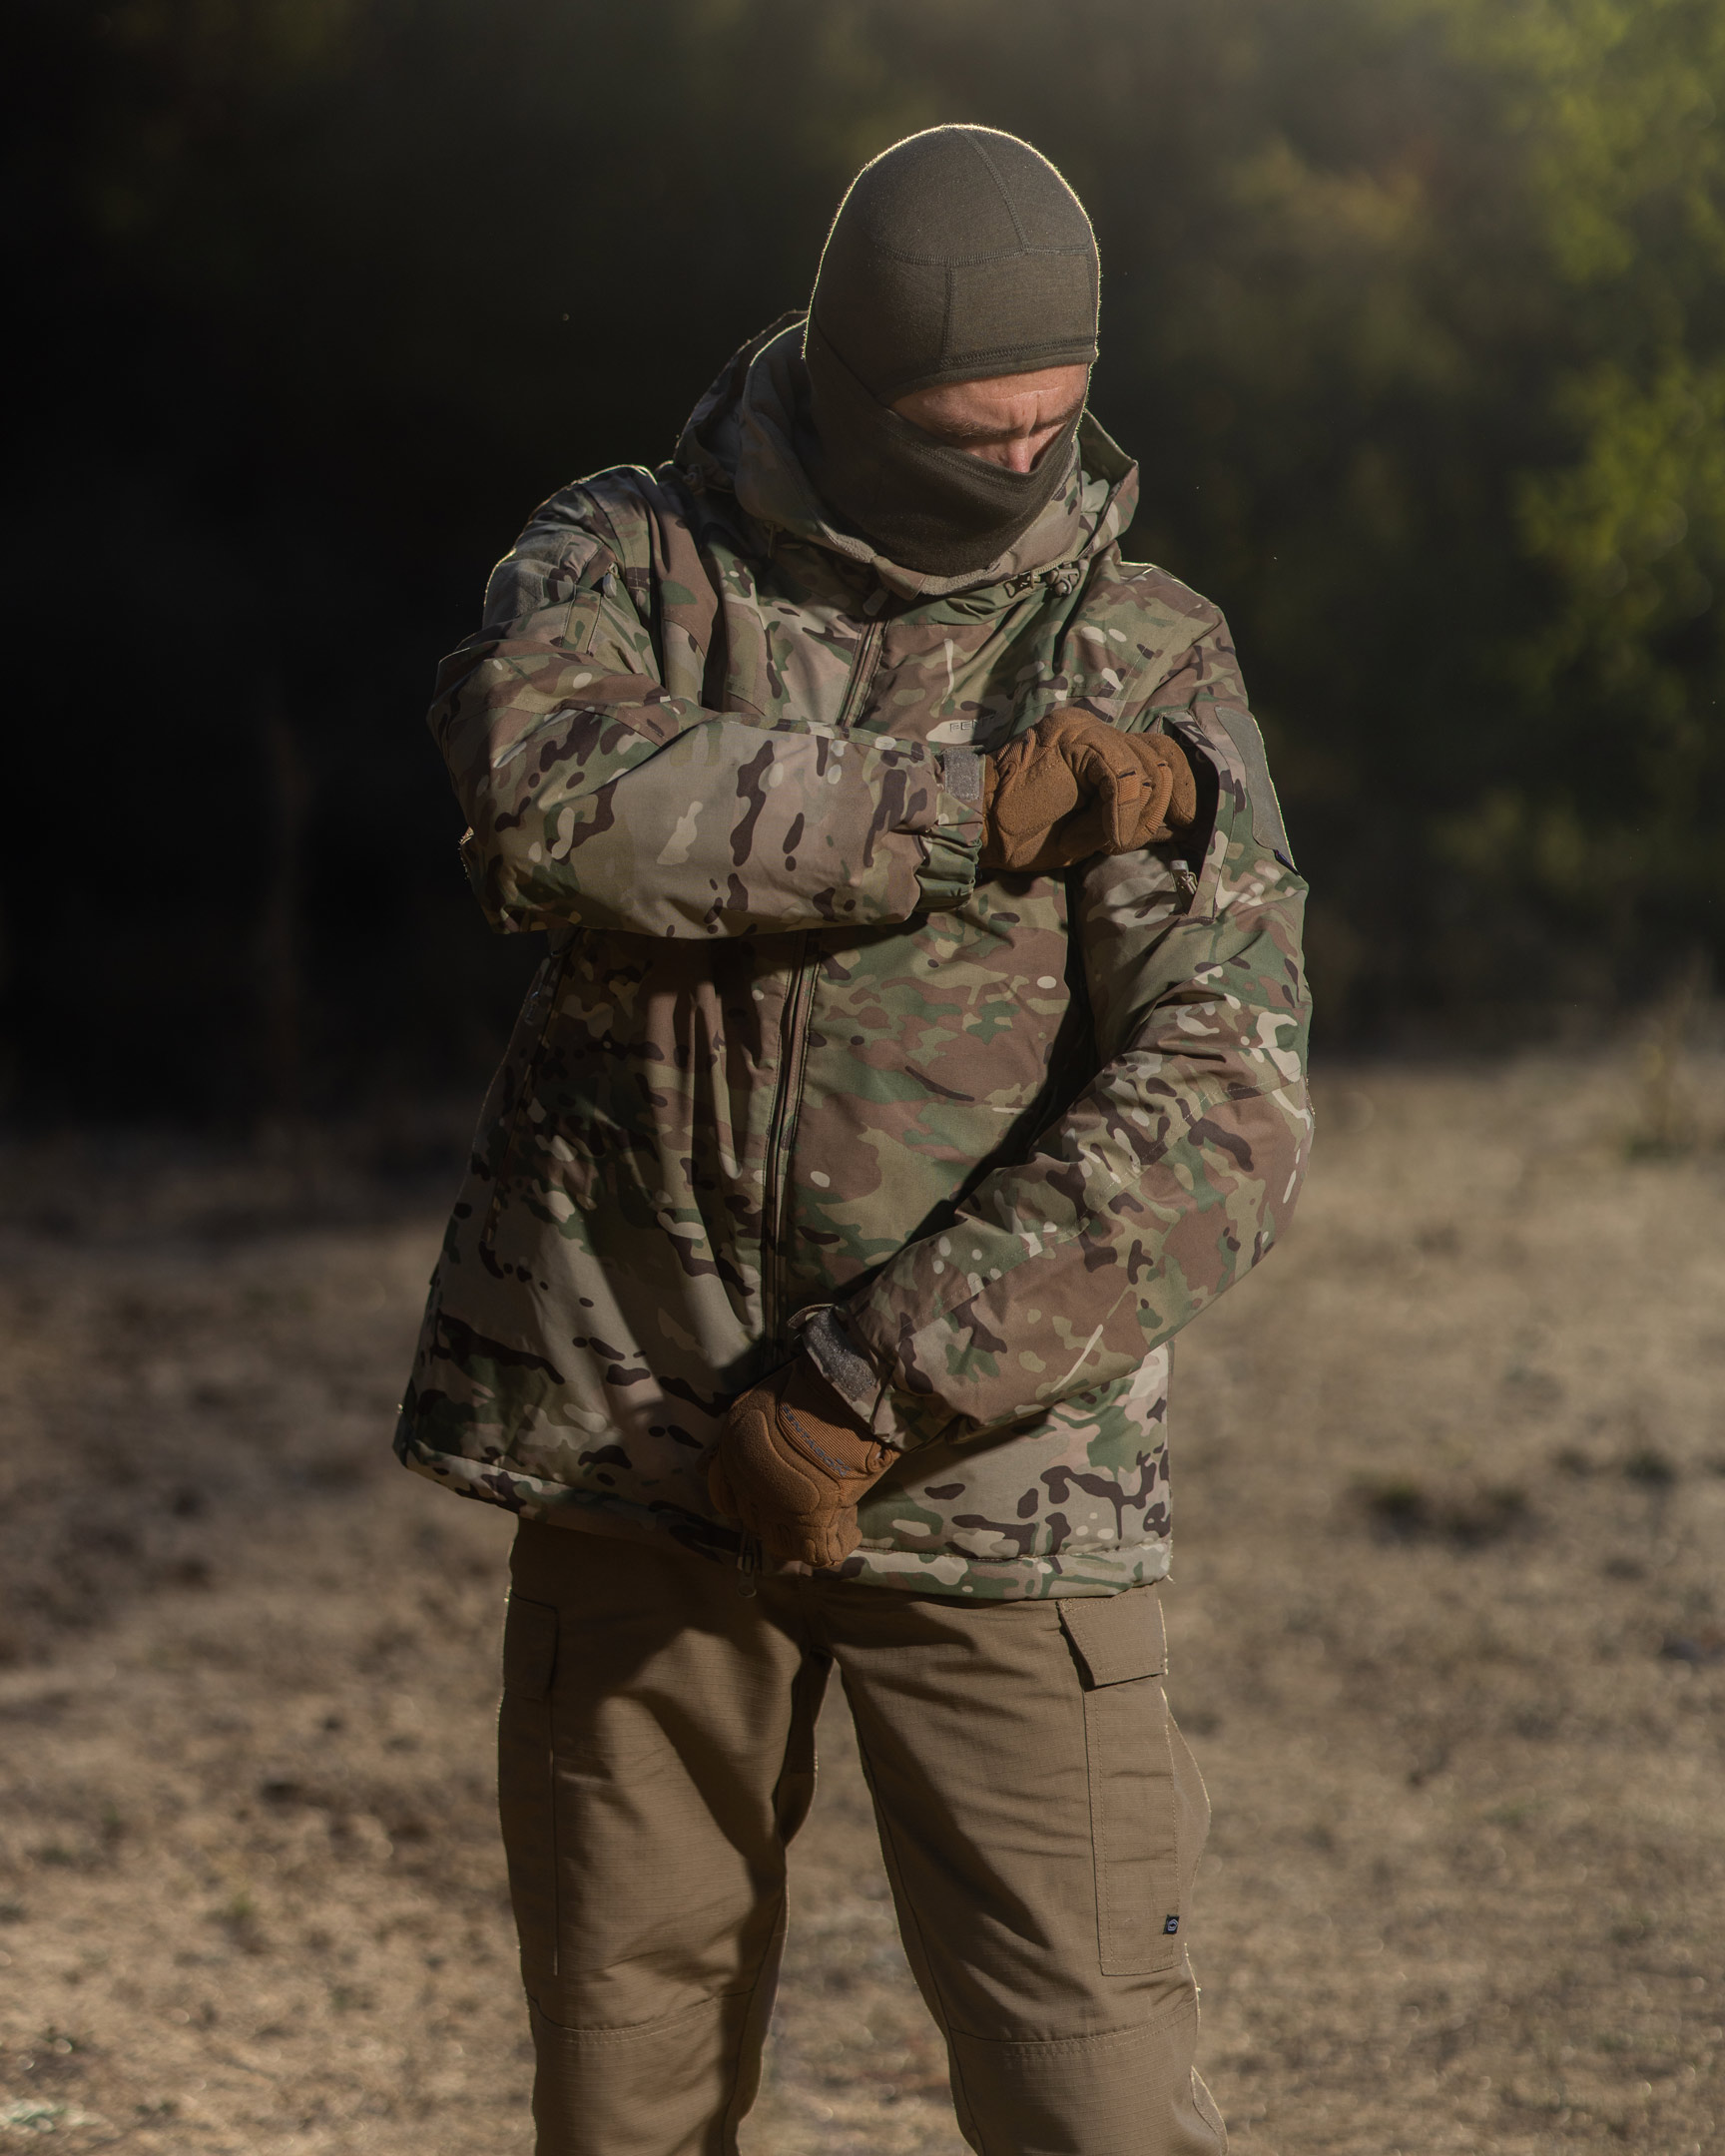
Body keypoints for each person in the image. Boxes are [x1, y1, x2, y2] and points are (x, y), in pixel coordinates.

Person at [395, 124, 1310, 2156]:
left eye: (1052, 430)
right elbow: (547, 811)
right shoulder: (629, 559)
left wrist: (869, 1382)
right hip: (634, 1451)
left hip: (1004, 1493)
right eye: (963, 434)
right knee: (621, 2093)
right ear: (843, 379)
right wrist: (962, 813)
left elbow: (1223, 1106)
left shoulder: (1144, 654)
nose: (1018, 475)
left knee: (1096, 2100)